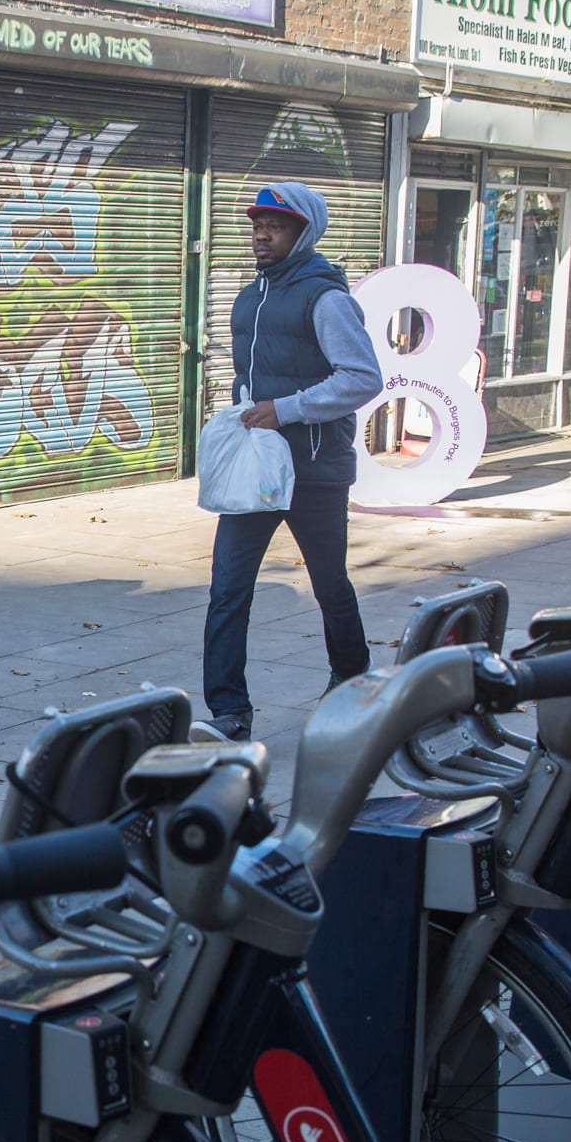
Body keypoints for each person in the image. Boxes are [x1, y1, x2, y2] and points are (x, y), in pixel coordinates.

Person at [201, 180, 383, 742]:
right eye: (257, 224)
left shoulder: (325, 297)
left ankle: (352, 681)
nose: (261, 234)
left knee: (329, 584)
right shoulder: (252, 294)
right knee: (228, 586)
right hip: (258, 471)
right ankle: (230, 712)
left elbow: (362, 378)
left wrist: (286, 409)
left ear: (304, 232)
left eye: (275, 226)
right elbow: (251, 376)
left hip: (315, 470)